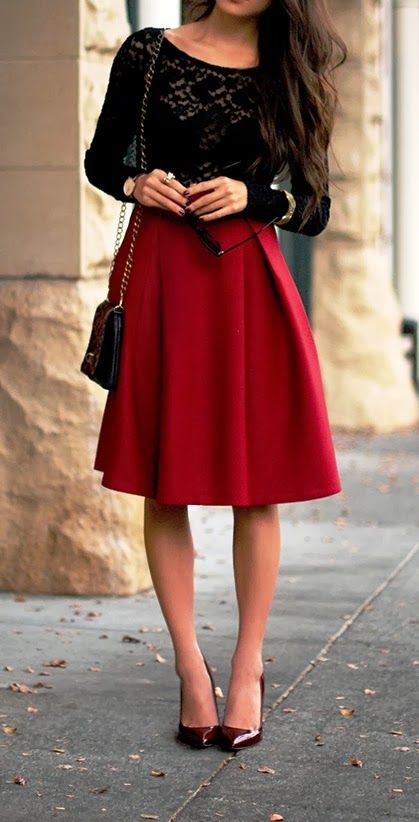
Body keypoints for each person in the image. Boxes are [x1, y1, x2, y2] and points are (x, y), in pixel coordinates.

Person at [84, 0, 346, 751]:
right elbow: (104, 160)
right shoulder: (146, 53)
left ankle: (245, 663)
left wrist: (251, 195)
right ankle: (191, 669)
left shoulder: (295, 70)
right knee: (166, 478)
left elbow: (315, 208)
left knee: (253, 486)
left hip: (245, 283)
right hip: (164, 276)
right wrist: (138, 186)